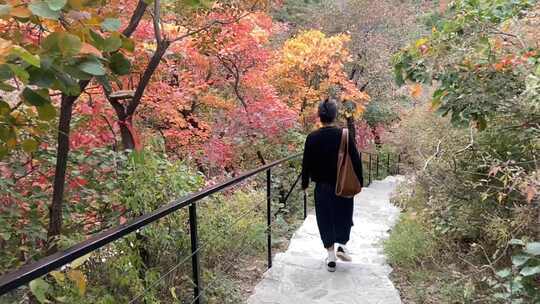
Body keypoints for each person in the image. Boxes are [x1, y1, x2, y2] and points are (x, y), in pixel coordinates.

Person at [301, 99, 364, 272]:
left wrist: (305, 183)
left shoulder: (312, 137)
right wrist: (360, 181)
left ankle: (330, 256)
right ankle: (342, 244)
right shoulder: (344, 135)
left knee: (325, 218)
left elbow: (306, 163)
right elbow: (355, 160)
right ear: (335, 115)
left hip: (322, 187)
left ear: (319, 116)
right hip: (343, 185)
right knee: (344, 215)